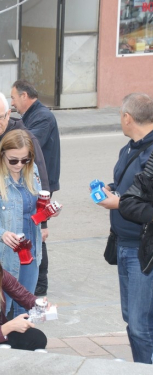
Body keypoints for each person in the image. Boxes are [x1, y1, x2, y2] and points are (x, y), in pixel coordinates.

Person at [96, 93, 153, 364]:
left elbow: (141, 202)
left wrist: (118, 203)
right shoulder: (129, 148)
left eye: (120, 115)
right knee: (132, 318)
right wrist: (112, 189)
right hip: (123, 244)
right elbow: (130, 188)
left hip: (142, 250)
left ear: (127, 118)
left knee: (141, 324)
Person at [0, 129, 42, 318]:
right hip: (3, 257)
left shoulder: (32, 171)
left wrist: (48, 212)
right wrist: (2, 234)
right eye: (13, 160)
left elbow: (35, 209)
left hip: (31, 252)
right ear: (2, 154)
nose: (19, 164)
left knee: (26, 308)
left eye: (25, 159)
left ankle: (21, 347)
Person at [0, 91, 49, 249]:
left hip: (24, 223)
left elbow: (41, 183)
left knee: (30, 267)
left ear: (8, 114)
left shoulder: (25, 140)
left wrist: (43, 222)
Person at [11, 80, 61, 297]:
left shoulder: (42, 116)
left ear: (24, 96)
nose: (12, 102)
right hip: (33, 183)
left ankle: (40, 282)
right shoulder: (29, 115)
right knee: (31, 229)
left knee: (39, 231)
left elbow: (27, 144)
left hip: (41, 186)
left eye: (13, 97)